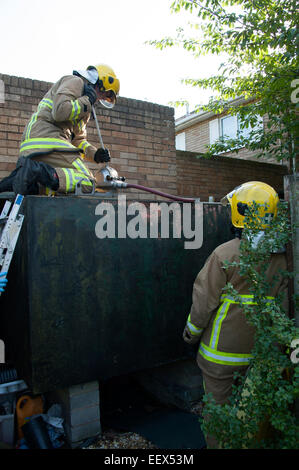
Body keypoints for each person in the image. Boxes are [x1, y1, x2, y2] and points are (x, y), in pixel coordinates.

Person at [182, 181, 288, 448]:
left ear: (239, 212)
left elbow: (203, 302)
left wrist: (190, 334)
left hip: (220, 357)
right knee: (252, 416)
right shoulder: (283, 259)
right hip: (263, 356)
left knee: (218, 416)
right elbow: (285, 307)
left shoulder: (224, 254)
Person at [0, 64, 120, 195]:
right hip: (48, 140)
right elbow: (60, 112)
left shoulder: (84, 106)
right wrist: (87, 100)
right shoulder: (75, 82)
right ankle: (35, 171)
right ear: (97, 82)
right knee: (87, 182)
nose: (101, 98)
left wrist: (95, 154)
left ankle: (12, 183)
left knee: (51, 185)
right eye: (103, 93)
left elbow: (78, 141)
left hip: (34, 145)